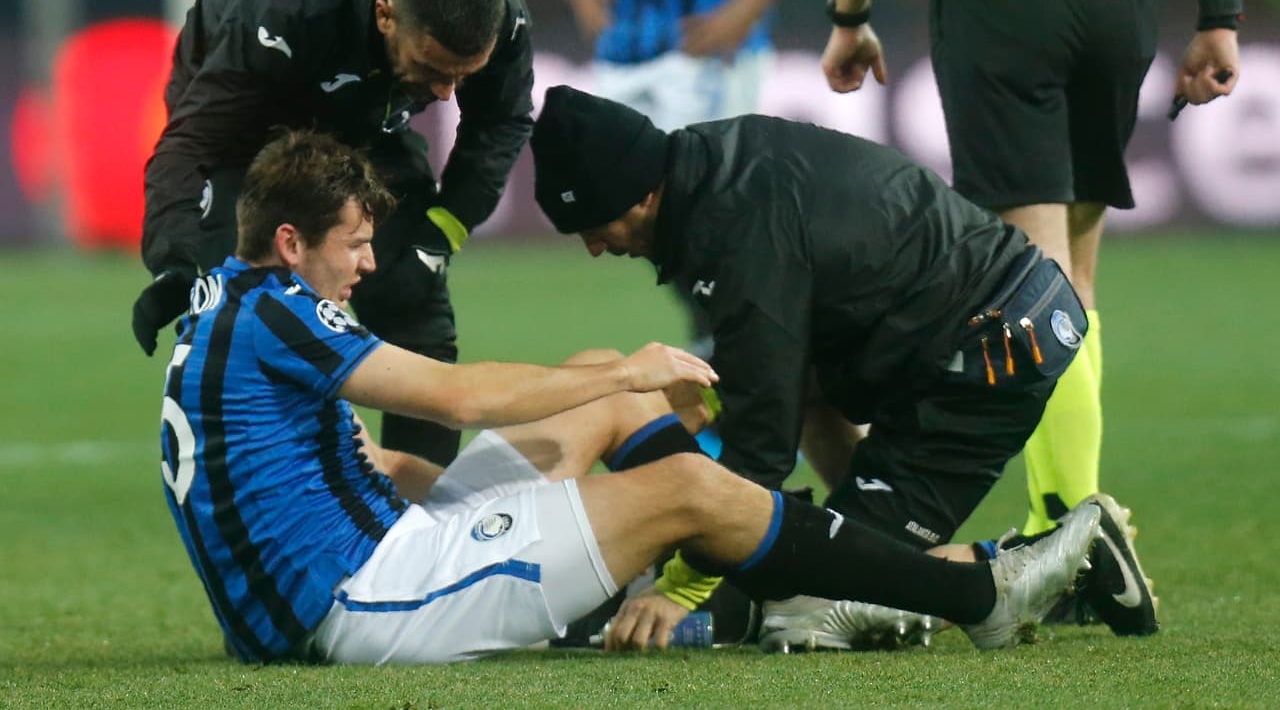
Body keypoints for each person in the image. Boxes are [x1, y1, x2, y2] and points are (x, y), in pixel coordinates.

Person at [158, 128, 1102, 664]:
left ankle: (715, 568)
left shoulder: (236, 309)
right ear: (290, 241)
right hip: (360, 602)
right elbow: (456, 397)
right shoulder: (282, 313)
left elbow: (360, 466)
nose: (368, 263)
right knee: (684, 480)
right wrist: (631, 373)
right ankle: (975, 589)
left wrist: (601, 394)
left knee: (610, 405)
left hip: (362, 558)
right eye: (355, 244)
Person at [529, 84, 1158, 650]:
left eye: (593, 224)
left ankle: (1064, 563)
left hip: (983, 352)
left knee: (815, 603)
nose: (593, 247)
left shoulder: (735, 230)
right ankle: (854, 528)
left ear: (639, 192)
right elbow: (775, 358)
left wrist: (681, 586)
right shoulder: (714, 170)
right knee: (809, 514)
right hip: (968, 323)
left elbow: (760, 445)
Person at [820, 0, 1241, 543]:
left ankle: (1070, 527)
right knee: (1073, 271)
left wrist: (849, 13)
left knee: (1031, 277)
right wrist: (1220, 13)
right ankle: (1071, 520)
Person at [134, 0, 536, 467]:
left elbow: (501, 123)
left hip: (371, 120)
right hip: (251, 118)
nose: (445, 93)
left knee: (414, 299)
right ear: (384, 15)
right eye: (432, 70)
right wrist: (173, 259)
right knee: (241, 312)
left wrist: (441, 233)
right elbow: (192, 142)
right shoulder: (288, 5)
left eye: (464, 76)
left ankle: (421, 530)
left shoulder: (498, 14)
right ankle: (258, 510)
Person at [541, 0, 838, 352]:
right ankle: (734, 363)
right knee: (650, 229)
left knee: (709, 229)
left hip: (704, 45)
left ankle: (766, 380)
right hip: (624, 42)